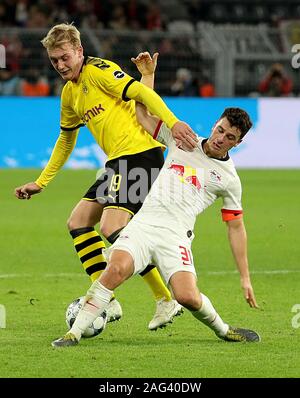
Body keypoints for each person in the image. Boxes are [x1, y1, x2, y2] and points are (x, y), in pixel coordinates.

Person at [52, 52, 260, 347]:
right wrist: (147, 76)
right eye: (220, 129)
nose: (220, 137)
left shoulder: (228, 179)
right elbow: (142, 115)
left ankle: (224, 330)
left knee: (186, 296)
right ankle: (73, 334)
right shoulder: (182, 139)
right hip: (143, 227)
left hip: (176, 237)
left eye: (229, 137)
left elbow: (236, 227)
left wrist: (245, 278)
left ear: (238, 143)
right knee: (115, 270)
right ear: (216, 123)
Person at [15, 24, 198, 330]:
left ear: (79, 52)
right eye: (54, 60)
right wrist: (41, 182)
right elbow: (65, 140)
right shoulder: (69, 94)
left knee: (113, 227)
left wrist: (173, 122)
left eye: (64, 57)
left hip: (140, 155)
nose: (60, 65)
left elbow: (140, 93)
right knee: (78, 222)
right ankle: (109, 302)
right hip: (117, 163)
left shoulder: (100, 71)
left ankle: (165, 298)